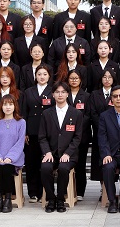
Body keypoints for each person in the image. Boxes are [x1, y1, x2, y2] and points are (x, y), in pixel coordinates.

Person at [39, 82, 83, 213]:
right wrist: (47, 152)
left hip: (69, 154)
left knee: (63, 168)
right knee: (45, 168)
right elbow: (42, 137)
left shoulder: (76, 114)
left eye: (63, 92)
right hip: (51, 153)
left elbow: (77, 137)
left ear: (67, 94)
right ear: (52, 94)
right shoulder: (46, 113)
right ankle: (51, 199)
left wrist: (68, 153)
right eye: (57, 92)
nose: (60, 95)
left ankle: (60, 199)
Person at [0, 94, 26, 213]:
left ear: (15, 106)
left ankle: (8, 199)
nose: (8, 107)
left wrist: (10, 157)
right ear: (1, 107)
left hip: (14, 158)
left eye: (10, 104)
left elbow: (20, 143)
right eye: (5, 104)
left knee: (8, 167)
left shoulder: (21, 122)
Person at [21, 64, 53, 203]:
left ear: (49, 76)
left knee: (44, 163)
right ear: (35, 76)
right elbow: (23, 112)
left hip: (47, 131)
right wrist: (25, 132)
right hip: (32, 130)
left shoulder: (53, 91)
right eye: (39, 74)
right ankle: (33, 192)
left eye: (45, 74)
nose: (42, 77)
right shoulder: (28, 91)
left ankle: (44, 191)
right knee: (31, 163)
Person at [88, 69, 118, 183]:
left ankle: (112, 185)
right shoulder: (95, 94)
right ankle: (103, 186)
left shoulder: (117, 93)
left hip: (115, 133)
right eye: (104, 77)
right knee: (100, 159)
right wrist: (102, 126)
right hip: (99, 132)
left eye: (110, 77)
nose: (107, 79)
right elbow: (93, 112)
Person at [66, 69, 92, 200]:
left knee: (80, 164)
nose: (74, 80)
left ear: (80, 80)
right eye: (71, 78)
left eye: (76, 78)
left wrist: (77, 125)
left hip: (82, 135)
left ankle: (80, 191)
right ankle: (67, 190)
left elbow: (88, 115)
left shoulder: (86, 96)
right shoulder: (64, 94)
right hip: (66, 135)